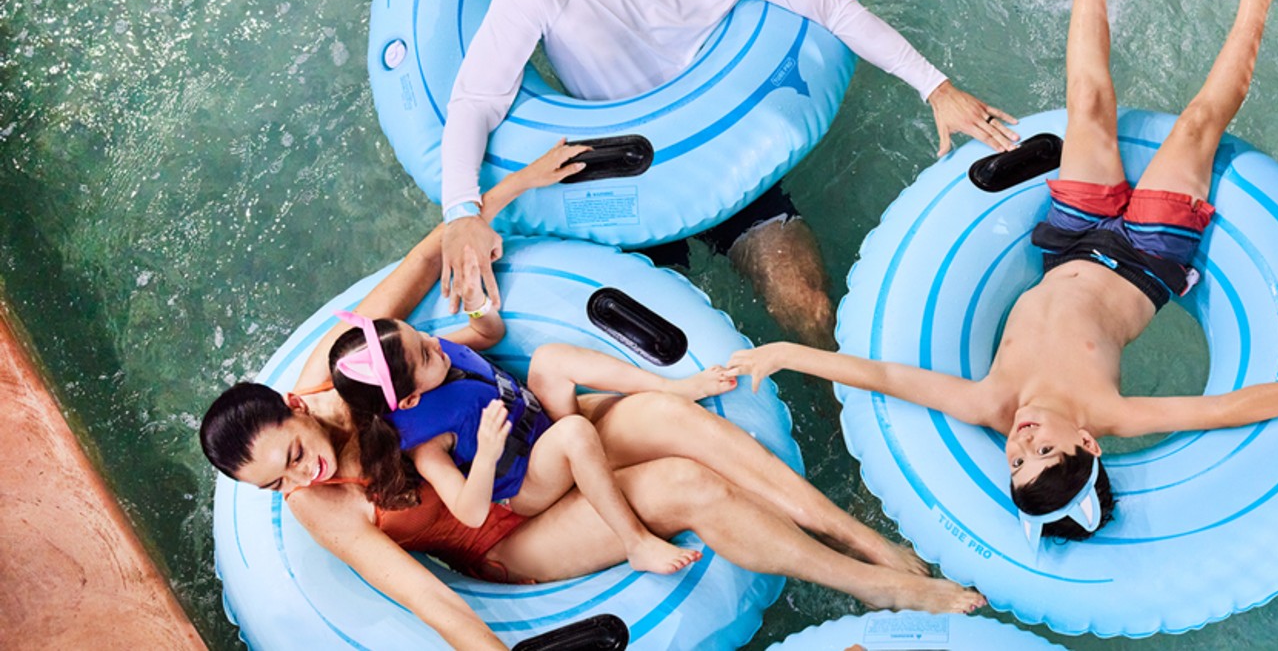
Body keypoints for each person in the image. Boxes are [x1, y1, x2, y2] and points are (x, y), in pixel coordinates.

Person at [729, 0, 1278, 544]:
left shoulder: (993, 402)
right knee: (1198, 125)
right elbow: (1224, 409)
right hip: (1148, 257)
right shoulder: (1109, 411)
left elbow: (890, 377)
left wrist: (789, 352)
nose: (1024, 443)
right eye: (1045, 453)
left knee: (1087, 103)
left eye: (1014, 460)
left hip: (1068, 245)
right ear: (1089, 442)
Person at [201, 143, 984, 651]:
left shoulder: (343, 368)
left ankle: (867, 540)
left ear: (297, 408)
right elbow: (427, 600)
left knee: (667, 416)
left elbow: (430, 255)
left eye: (292, 458)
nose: (297, 481)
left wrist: (491, 205)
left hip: (531, 449)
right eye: (275, 482)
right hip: (506, 537)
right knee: (683, 485)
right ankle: (876, 585)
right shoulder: (322, 504)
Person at [439, 0, 1022, 349]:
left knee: (809, 307)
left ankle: (842, 416)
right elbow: (475, 100)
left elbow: (832, 7)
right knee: (659, 348)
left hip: (722, 156)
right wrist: (462, 210)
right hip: (622, 184)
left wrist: (936, 87)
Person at [328, 291, 737, 574]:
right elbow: (469, 514)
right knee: (574, 433)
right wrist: (486, 455)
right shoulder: (427, 447)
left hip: (537, 426)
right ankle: (635, 543)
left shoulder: (431, 356)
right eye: (423, 353)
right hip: (525, 486)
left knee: (550, 358)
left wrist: (477, 306)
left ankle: (675, 386)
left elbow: (490, 332)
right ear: (411, 400)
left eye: (418, 334)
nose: (433, 343)